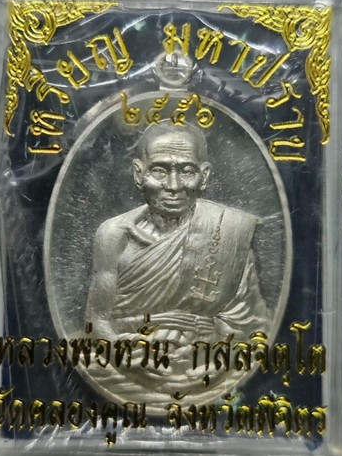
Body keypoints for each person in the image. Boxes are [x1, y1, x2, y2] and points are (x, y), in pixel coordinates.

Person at [86, 120, 269, 355]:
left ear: (204, 176)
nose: (174, 186)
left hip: (207, 361)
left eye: (187, 171)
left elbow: (251, 327)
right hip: (131, 356)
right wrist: (133, 355)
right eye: (159, 171)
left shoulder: (230, 232)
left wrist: (205, 345)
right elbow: (97, 323)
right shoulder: (114, 235)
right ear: (138, 174)